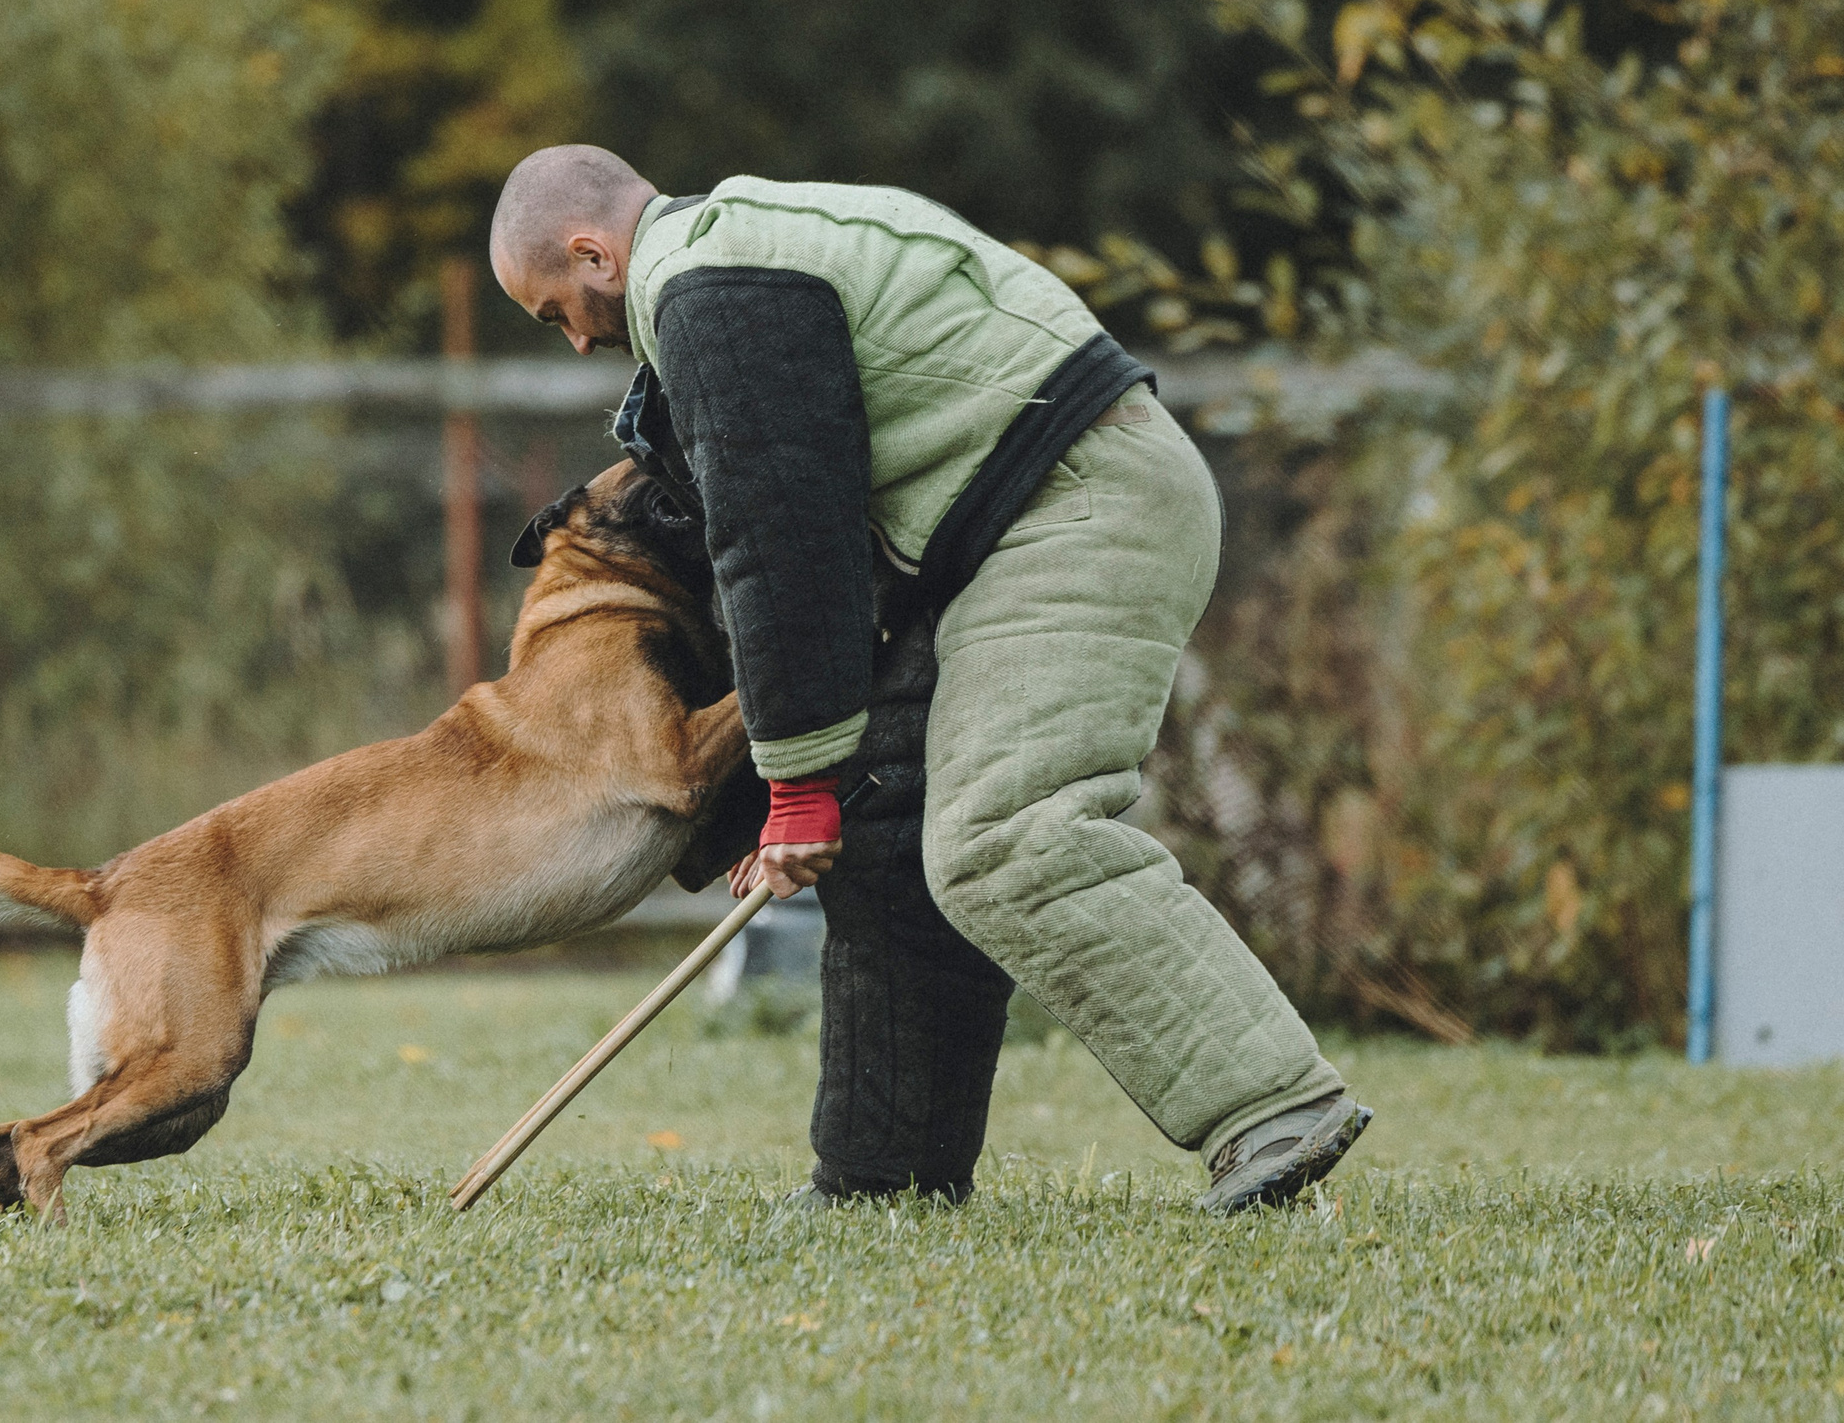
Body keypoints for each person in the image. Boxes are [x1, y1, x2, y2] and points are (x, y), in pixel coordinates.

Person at [489, 144, 1371, 1213]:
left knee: (1006, 833)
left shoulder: (712, 289)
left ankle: (1272, 1105)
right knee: (886, 818)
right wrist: (817, 784)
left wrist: (795, 785)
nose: (580, 341)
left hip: (1075, 501)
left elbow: (783, 540)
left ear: (593, 253)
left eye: (558, 311)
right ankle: (884, 1177)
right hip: (1011, 516)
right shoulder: (749, 242)